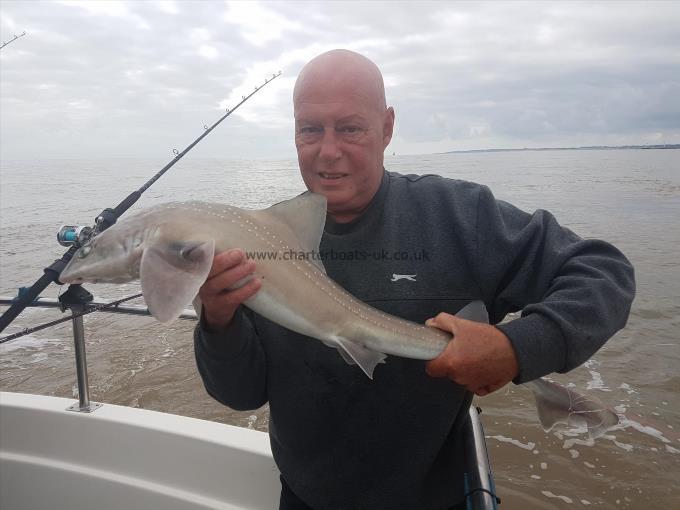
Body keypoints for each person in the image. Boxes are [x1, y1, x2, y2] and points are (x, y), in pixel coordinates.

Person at [194, 50, 635, 509]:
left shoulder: (459, 217)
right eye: (310, 129)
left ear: (386, 128)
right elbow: (240, 395)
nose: (328, 151)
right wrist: (218, 319)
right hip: (307, 498)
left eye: (350, 128)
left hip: (435, 498)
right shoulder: (259, 244)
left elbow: (603, 271)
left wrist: (516, 347)